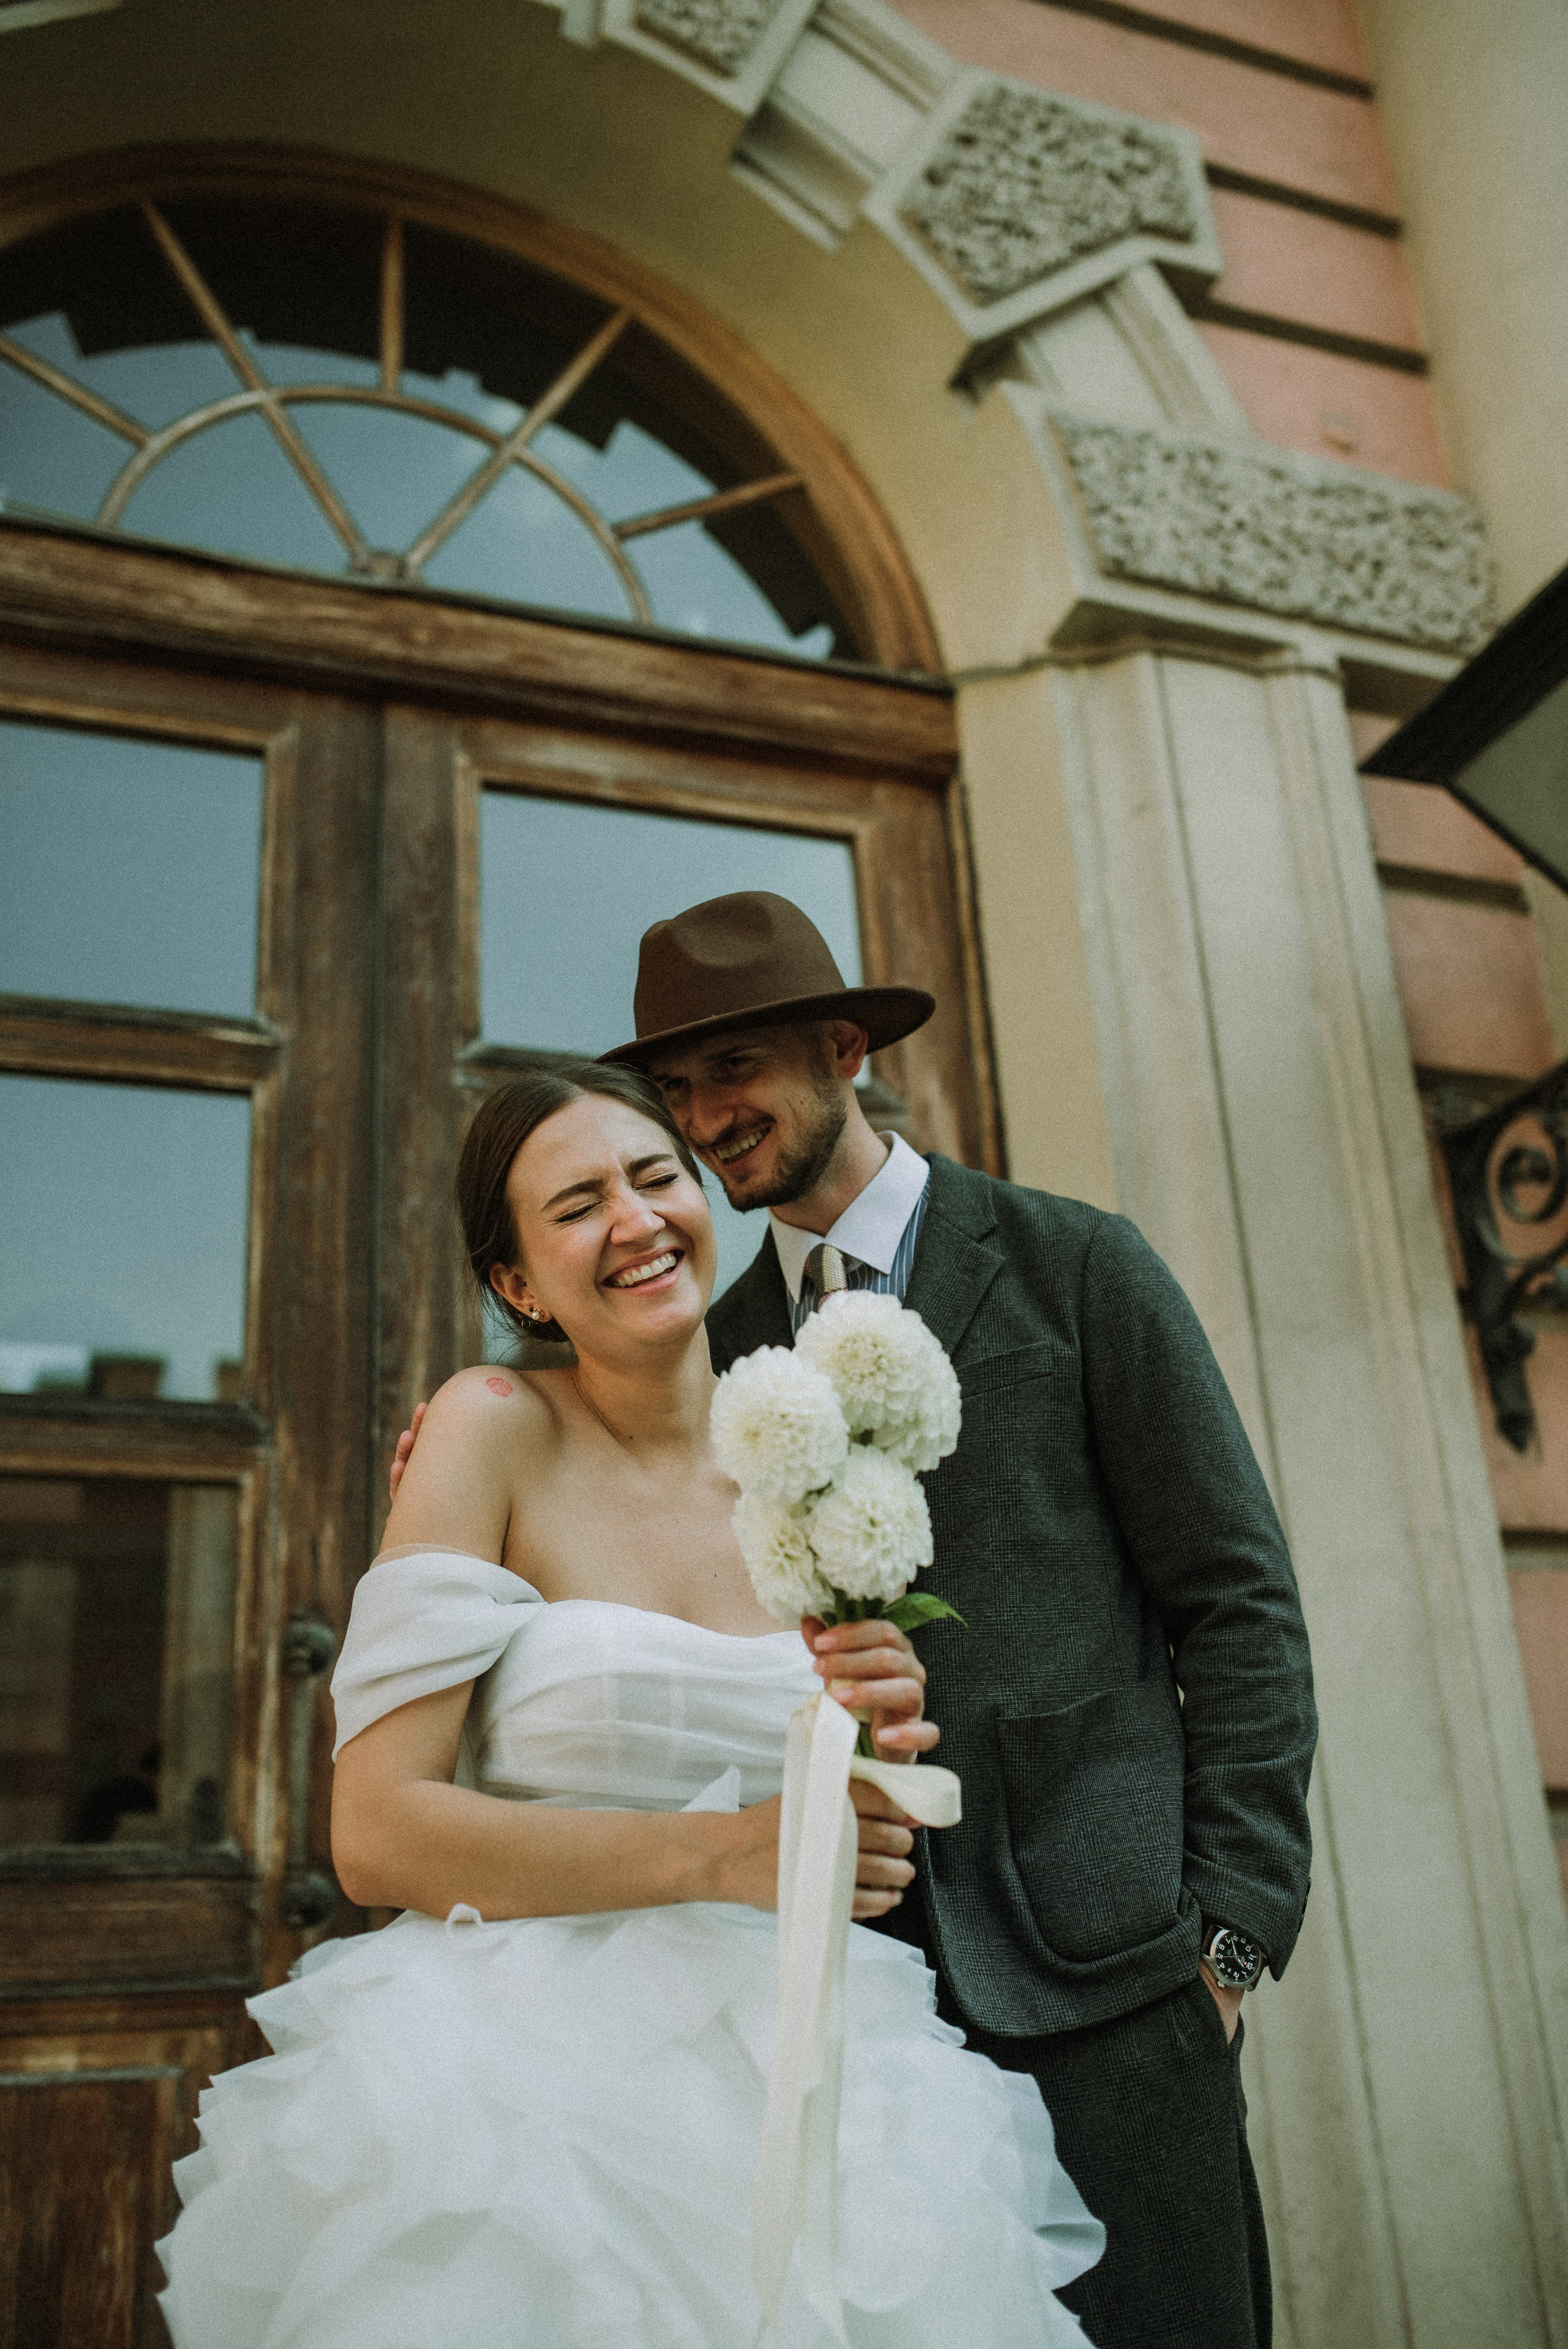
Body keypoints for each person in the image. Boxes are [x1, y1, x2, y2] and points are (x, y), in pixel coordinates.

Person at [394, 894, 1315, 2347]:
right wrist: (471, 1438)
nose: (709, 1116)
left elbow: (1240, 1605)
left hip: (1117, 1981)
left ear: (841, 1048)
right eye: (681, 1090)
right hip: (850, 2005)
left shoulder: (1076, 1265)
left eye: (738, 1068)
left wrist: (1228, 1949)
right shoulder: (707, 1345)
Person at [158, 1059, 1104, 2349]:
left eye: (656, 1177)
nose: (637, 1218)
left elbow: (852, 1831)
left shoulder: (806, 1464)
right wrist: (724, 1852)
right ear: (514, 1284)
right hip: (524, 2090)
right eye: (576, 1205)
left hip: (814, 2054)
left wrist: (869, 1758)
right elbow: (375, 1834)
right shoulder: (488, 1426)